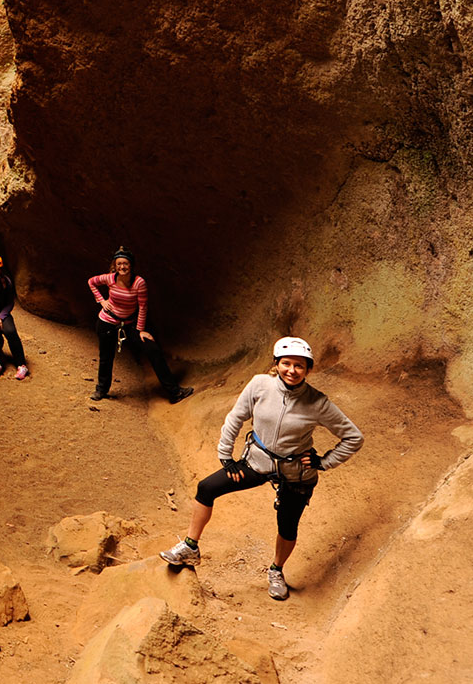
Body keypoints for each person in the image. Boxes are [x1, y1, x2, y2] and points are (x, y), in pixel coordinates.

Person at [159, 336, 363, 600]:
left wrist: (323, 462)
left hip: (295, 474)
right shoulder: (259, 385)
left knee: (287, 525)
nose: (292, 370)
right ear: (276, 364)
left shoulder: (318, 403)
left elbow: (354, 437)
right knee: (207, 488)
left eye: (299, 366)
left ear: (308, 370)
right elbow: (236, 417)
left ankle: (276, 571)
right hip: (256, 463)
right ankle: (190, 547)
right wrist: (225, 456)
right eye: (286, 363)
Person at [87, 246, 191, 402]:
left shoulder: (139, 283)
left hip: (129, 323)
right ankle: (101, 390)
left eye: (125, 264)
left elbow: (143, 306)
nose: (122, 267)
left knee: (153, 349)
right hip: (107, 321)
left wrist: (141, 330)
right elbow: (91, 282)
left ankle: (174, 392)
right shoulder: (110, 278)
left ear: (131, 265)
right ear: (115, 265)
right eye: (119, 263)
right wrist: (101, 300)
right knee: (106, 356)